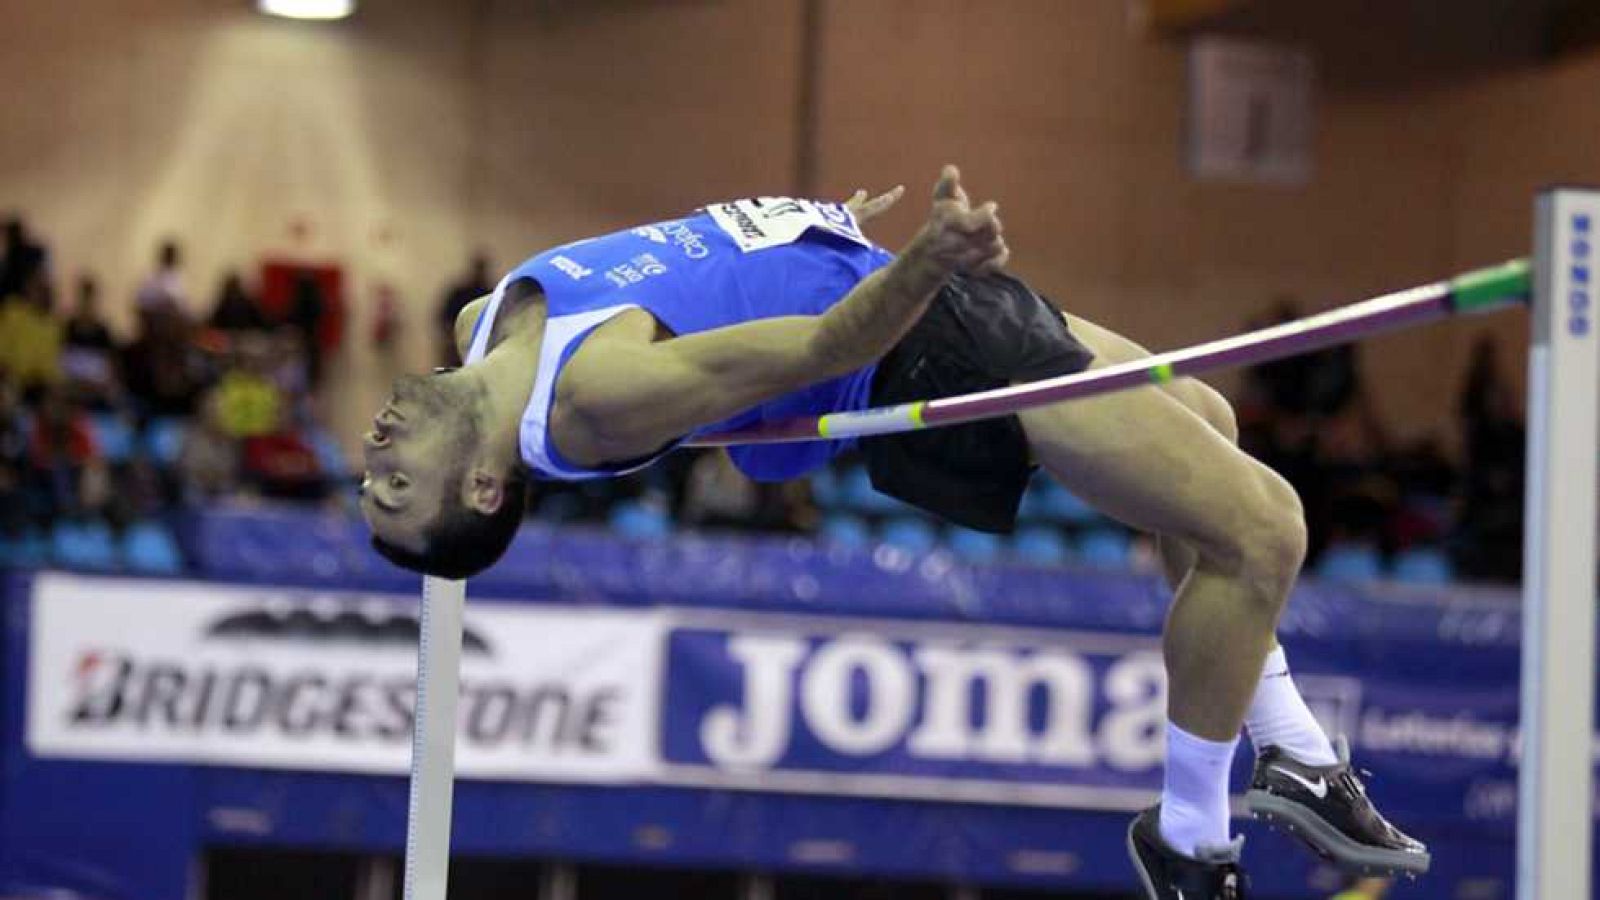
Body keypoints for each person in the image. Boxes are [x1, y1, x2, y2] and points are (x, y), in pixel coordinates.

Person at [358, 167, 1427, 899]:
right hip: (915, 348)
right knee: (1263, 528)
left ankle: (1288, 753)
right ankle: (1192, 840)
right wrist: (920, 260)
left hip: (886, 283)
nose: (374, 448)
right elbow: (818, 349)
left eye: (372, 474)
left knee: (1211, 422)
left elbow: (679, 262)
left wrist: (810, 226)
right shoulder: (593, 396)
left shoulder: (478, 322)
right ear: (487, 489)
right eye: (396, 484)